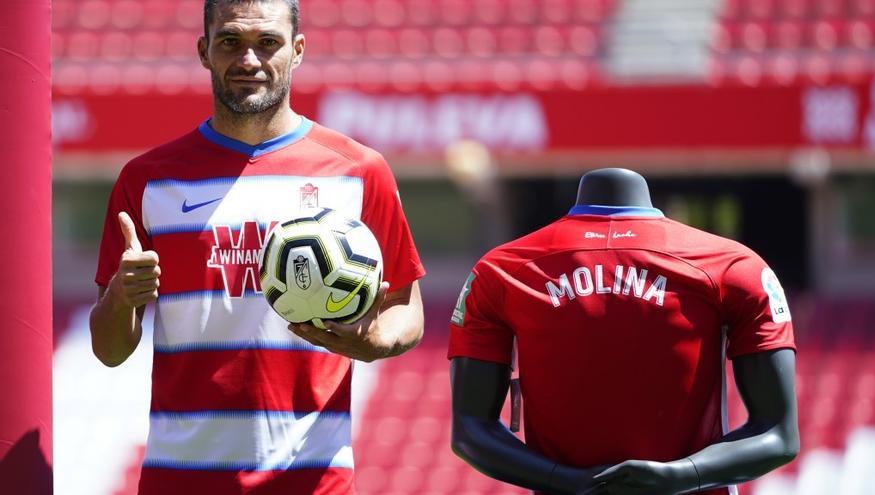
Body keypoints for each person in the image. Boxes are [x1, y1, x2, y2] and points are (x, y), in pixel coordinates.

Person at [89, 0, 425, 493]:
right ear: (204, 51)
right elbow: (110, 350)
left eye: (268, 42)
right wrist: (121, 296)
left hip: (314, 480)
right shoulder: (146, 180)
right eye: (230, 42)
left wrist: (375, 341)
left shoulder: (358, 171)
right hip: (179, 482)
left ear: (298, 50)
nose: (249, 59)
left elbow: (406, 308)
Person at [448, 168, 799, 495]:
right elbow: (778, 435)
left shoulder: (499, 271)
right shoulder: (736, 266)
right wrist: (680, 476)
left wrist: (572, 482)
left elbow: (470, 432)